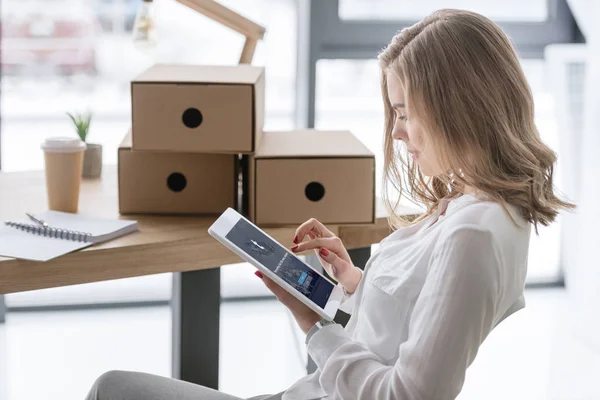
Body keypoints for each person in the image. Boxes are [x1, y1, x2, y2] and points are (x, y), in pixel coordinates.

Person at [85, 8, 574, 400]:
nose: (397, 130)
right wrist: (352, 281)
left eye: (404, 112)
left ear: (456, 106)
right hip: (308, 391)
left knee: (112, 388)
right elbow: (417, 314)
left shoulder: (475, 234)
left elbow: (409, 394)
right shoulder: (474, 203)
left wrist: (314, 325)